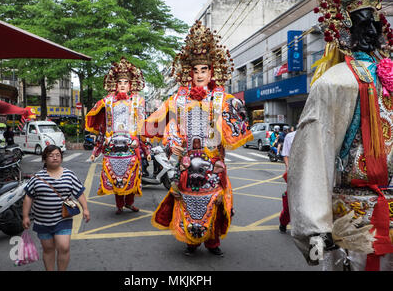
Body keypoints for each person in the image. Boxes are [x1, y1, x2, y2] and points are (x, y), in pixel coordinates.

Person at [289, 0, 393, 271]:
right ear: (345, 29)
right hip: (354, 217)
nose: (372, 29)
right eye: (363, 21)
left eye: (376, 21)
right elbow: (313, 154)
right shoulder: (335, 83)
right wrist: (315, 227)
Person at [145, 21, 253, 257]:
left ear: (212, 72)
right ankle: (191, 241)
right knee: (187, 200)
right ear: (189, 73)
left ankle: (213, 242)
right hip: (185, 160)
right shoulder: (179, 99)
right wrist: (173, 141)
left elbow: (235, 126)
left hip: (213, 161)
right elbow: (167, 121)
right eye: (196, 70)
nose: (200, 75)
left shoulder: (222, 98)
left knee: (213, 201)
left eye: (204, 70)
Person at [85, 58, 150, 215]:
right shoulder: (107, 102)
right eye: (119, 82)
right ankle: (119, 205)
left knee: (132, 176)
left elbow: (142, 127)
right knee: (116, 177)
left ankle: (130, 202)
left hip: (132, 145)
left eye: (125, 82)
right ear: (115, 84)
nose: (122, 85)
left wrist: (147, 150)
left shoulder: (138, 101)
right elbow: (102, 128)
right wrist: (95, 151)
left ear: (130, 85)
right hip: (112, 145)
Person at [22, 145, 90, 271]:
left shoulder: (69, 175)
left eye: (58, 155)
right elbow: (28, 197)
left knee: (64, 247)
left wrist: (85, 209)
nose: (55, 158)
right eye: (51, 155)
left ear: (61, 158)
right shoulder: (37, 177)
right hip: (42, 221)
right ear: (45, 159)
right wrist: (25, 216)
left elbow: (79, 192)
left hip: (63, 219)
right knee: (48, 249)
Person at [278, 127, 296, 233]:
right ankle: (283, 222)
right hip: (294, 173)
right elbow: (285, 155)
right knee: (290, 201)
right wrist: (289, 169)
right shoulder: (290, 136)